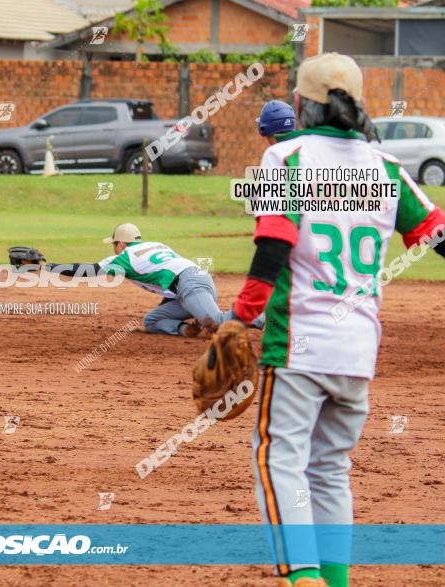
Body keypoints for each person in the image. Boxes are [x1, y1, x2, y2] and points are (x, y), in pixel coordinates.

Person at [225, 53, 445, 587]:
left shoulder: (286, 157)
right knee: (330, 471)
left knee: (280, 461)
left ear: (301, 104)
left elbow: (275, 242)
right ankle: (334, 581)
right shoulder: (387, 167)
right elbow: (438, 236)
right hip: (357, 351)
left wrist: (238, 318)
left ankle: (302, 579)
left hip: (298, 346)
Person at [43, 222, 263, 336]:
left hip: (190, 284)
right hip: (191, 283)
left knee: (218, 324)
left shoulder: (124, 258)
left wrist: (48, 267)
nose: (113, 248)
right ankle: (187, 330)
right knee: (152, 321)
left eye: (114, 244)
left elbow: (89, 271)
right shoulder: (155, 244)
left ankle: (264, 318)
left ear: (121, 244)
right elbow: (167, 278)